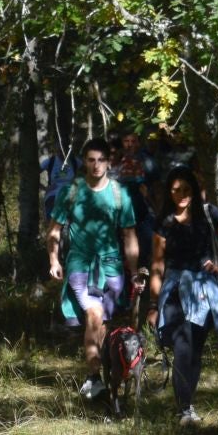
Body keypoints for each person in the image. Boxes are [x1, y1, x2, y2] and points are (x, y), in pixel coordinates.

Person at [46, 137, 139, 400]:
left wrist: (134, 271)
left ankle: (102, 377)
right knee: (94, 315)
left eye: (101, 160)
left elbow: (129, 235)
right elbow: (53, 231)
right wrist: (54, 259)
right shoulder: (71, 192)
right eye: (91, 160)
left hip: (111, 267)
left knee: (103, 325)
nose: (96, 166)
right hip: (80, 265)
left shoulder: (121, 194)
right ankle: (94, 377)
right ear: (84, 162)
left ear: (109, 162)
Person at [141, 166, 218, 425]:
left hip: (204, 291)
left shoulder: (208, 213)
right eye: (175, 190)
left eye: (185, 189)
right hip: (174, 289)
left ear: (193, 189)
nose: (181, 194)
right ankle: (184, 408)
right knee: (182, 344)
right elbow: (157, 265)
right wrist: (152, 304)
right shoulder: (164, 223)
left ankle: (187, 405)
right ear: (169, 193)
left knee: (195, 350)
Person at [114, 131, 157, 285]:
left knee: (148, 249)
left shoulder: (147, 161)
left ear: (138, 143)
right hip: (121, 214)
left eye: (133, 141)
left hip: (143, 212)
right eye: (126, 140)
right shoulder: (116, 159)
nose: (130, 144)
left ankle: (148, 287)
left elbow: (156, 186)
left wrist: (151, 200)